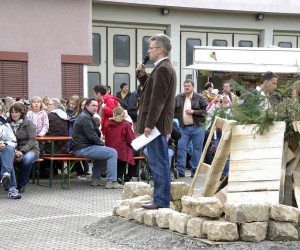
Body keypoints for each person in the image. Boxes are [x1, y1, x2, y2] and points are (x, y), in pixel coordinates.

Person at [136, 34, 176, 209]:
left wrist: (149, 124)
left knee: (158, 162)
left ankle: (160, 200)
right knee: (160, 162)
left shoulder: (163, 69)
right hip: (158, 124)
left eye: (151, 48)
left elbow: (157, 101)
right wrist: (143, 76)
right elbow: (151, 92)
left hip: (156, 126)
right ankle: (160, 199)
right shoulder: (162, 68)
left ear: (160, 49)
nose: (148, 51)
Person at [71, 98, 122, 189]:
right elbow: (92, 136)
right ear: (86, 106)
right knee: (112, 152)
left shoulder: (86, 116)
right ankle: (111, 181)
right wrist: (102, 144)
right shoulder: (85, 117)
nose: (95, 107)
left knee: (101, 151)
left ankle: (96, 179)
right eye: (93, 105)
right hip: (82, 148)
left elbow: (94, 135)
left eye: (96, 106)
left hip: (82, 147)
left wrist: (100, 144)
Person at [175, 80, 207, 178]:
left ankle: (195, 170)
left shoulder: (200, 98)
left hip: (197, 127)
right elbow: (173, 110)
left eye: (188, 86)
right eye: (185, 86)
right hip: (184, 128)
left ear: (193, 87)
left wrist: (194, 112)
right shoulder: (178, 98)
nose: (186, 87)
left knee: (197, 149)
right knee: (181, 148)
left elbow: (205, 111)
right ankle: (181, 171)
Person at [9, 102, 39, 192]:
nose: (13, 114)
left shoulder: (29, 124)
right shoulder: (8, 124)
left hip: (31, 149)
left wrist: (22, 151)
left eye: (16, 112)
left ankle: (21, 184)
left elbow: (32, 140)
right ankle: (10, 183)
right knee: (5, 159)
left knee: (26, 160)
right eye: (12, 112)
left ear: (21, 113)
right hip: (14, 148)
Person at [105, 106, 136, 183]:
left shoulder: (108, 124)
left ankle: (113, 177)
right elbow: (131, 140)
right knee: (132, 152)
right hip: (121, 150)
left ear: (114, 114)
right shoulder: (126, 124)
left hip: (110, 148)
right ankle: (124, 176)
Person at [0, 106, 21, 199]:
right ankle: (12, 189)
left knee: (8, 150)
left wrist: (4, 144)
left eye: (0, 110)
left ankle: (6, 175)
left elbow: (13, 141)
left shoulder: (5, 124)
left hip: (3, 150)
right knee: (7, 161)